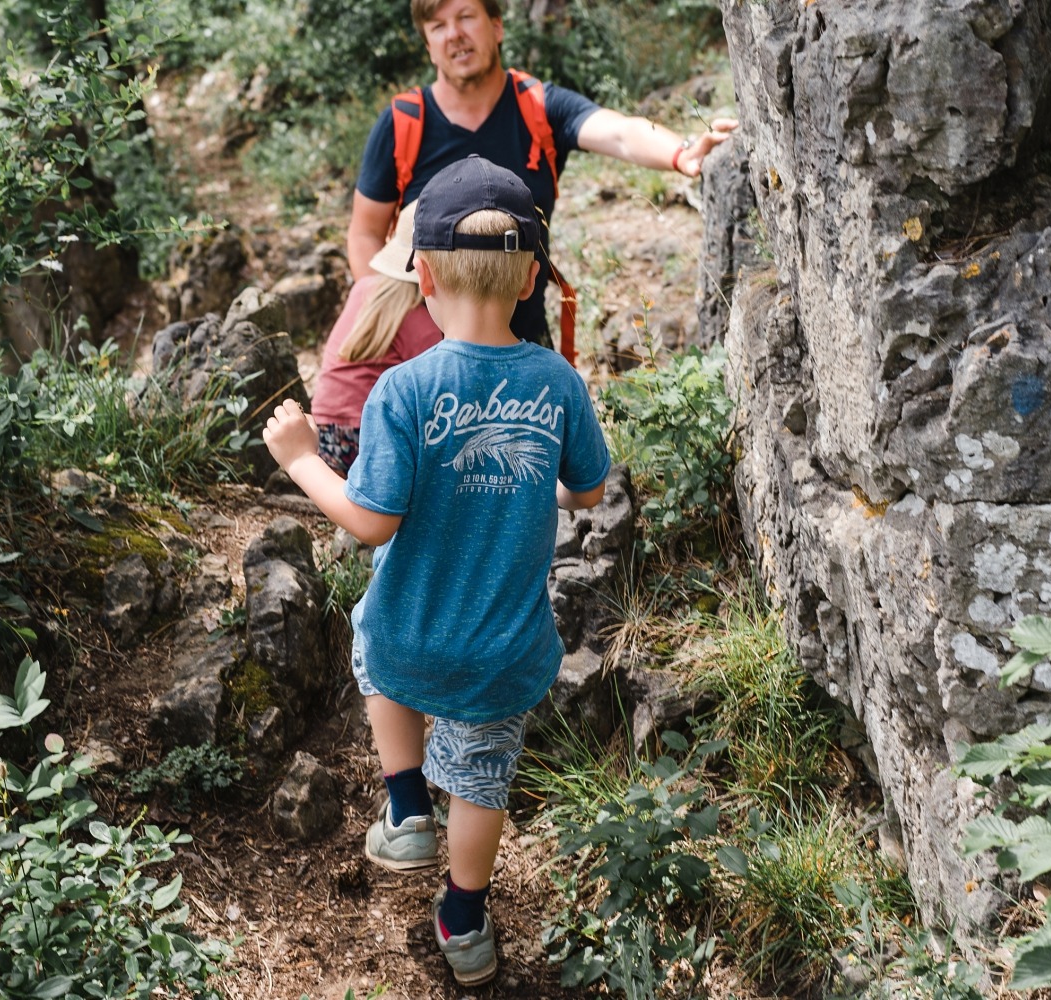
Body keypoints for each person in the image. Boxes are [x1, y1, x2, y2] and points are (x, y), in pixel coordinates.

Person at [263, 155, 611, 986]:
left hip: (411, 639)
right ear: (531, 274)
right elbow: (590, 488)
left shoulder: (405, 389)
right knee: (484, 782)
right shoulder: (557, 382)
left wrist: (302, 459)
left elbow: (370, 519)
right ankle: (464, 919)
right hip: (504, 651)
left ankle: (408, 803)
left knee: (367, 634)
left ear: (420, 273)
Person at [348, 0, 738, 350]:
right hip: (425, 353)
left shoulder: (536, 106)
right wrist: (385, 328)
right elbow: (365, 232)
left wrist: (681, 152)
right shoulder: (403, 124)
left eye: (466, 17)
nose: (454, 35)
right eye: (438, 26)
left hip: (524, 342)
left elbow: (619, 133)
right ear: (428, 44)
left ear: (497, 26)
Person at [312, 199, 442, 475]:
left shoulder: (364, 289)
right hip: (366, 438)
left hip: (325, 431)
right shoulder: (423, 326)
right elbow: (436, 399)